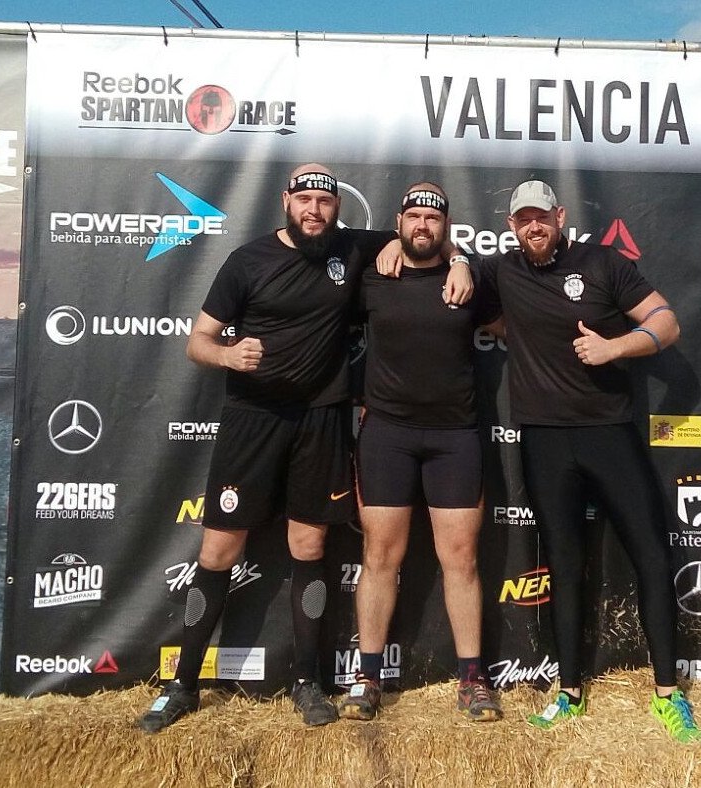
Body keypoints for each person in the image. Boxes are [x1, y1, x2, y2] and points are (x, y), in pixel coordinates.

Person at [137, 164, 471, 733]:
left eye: (325, 200)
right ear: (286, 201)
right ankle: (183, 685)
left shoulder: (354, 248)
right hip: (252, 421)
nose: (314, 209)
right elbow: (198, 340)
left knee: (309, 545)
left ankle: (308, 681)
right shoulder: (247, 261)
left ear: (337, 208)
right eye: (305, 199)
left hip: (321, 421)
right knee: (219, 551)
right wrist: (226, 356)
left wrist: (461, 259)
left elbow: (431, 237)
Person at [483, 180, 701, 742]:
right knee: (563, 563)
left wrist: (615, 347)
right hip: (543, 438)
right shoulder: (504, 271)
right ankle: (570, 692)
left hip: (610, 433)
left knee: (651, 556)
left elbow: (667, 323)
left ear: (560, 216)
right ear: (512, 225)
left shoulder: (603, 262)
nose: (533, 226)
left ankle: (666, 693)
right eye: (522, 219)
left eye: (542, 216)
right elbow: (442, 269)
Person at [339, 182, 502, 723]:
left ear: (447, 226)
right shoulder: (371, 274)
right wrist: (388, 243)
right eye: (414, 216)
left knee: (461, 561)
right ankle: (367, 677)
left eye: (434, 217)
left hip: (455, 438)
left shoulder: (471, 280)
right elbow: (331, 240)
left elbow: (516, 316)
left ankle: (473, 681)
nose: (423, 225)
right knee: (381, 559)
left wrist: (462, 261)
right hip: (387, 435)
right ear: (399, 220)